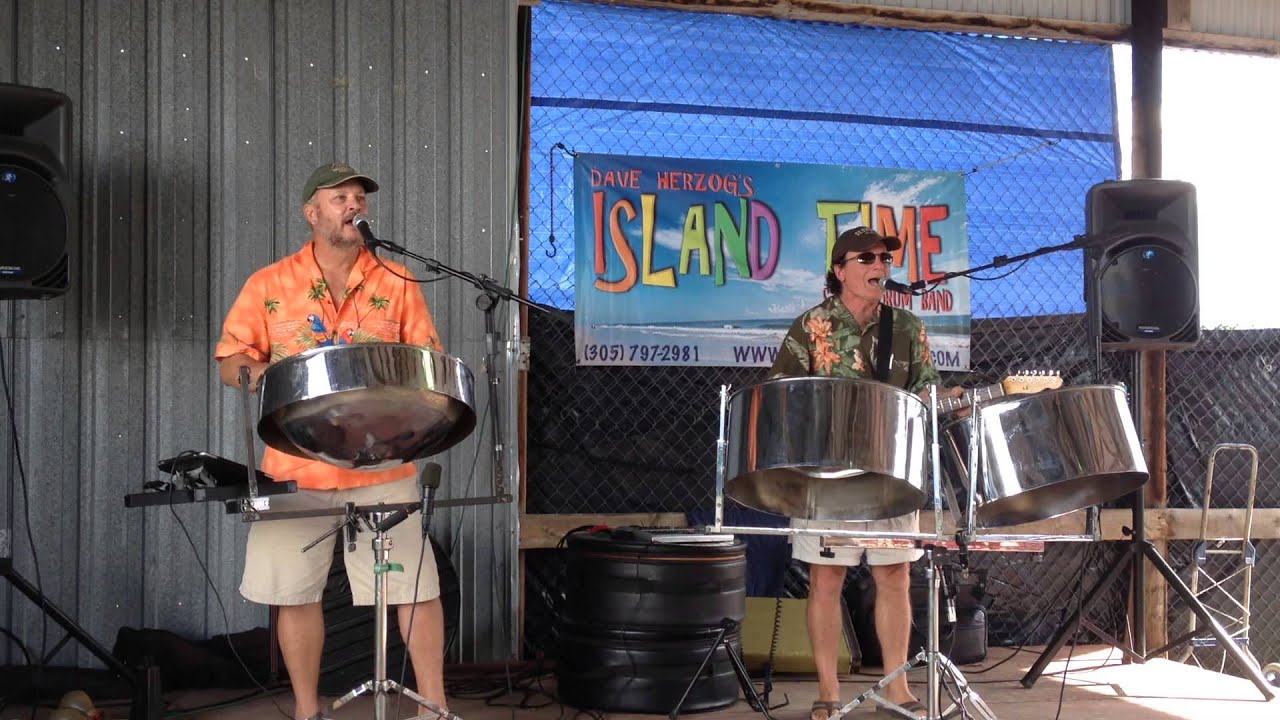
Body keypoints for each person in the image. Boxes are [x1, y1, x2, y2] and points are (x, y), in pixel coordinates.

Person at [214, 162, 447, 720]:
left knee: (414, 584)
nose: (352, 204)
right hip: (298, 462)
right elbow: (230, 360)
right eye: (338, 196)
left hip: (381, 461)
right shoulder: (268, 284)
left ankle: (433, 705)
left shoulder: (397, 282)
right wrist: (263, 379)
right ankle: (304, 709)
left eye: (358, 196)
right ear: (311, 212)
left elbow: (428, 362)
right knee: (295, 591)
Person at [768, 226, 961, 719]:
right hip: (826, 473)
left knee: (894, 576)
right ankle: (829, 693)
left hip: (892, 470)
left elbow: (926, 389)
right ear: (839, 271)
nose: (880, 266)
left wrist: (944, 400)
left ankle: (896, 689)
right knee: (827, 578)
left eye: (884, 258)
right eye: (867, 257)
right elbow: (781, 394)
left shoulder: (907, 326)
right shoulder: (811, 327)